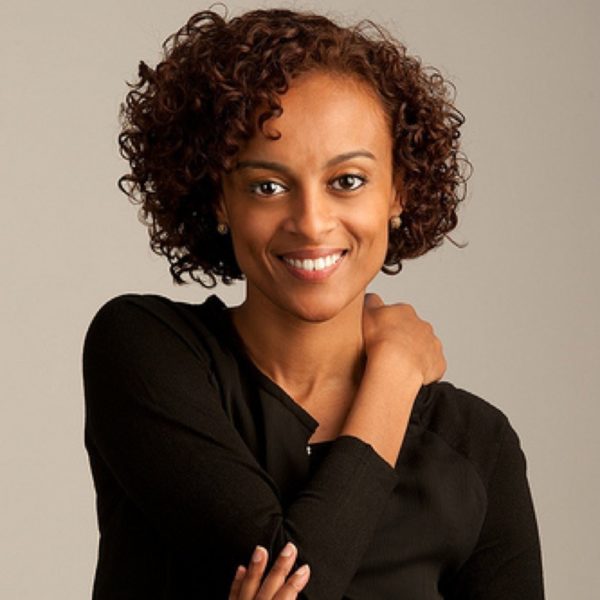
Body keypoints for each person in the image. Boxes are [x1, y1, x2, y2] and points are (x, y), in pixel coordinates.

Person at [82, 7, 545, 599]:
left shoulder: (477, 445)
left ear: (398, 191)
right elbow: (302, 584)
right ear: (219, 199)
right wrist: (395, 374)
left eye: (347, 180)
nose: (310, 221)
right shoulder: (146, 350)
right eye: (267, 186)